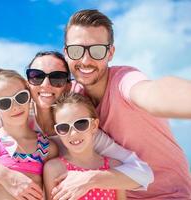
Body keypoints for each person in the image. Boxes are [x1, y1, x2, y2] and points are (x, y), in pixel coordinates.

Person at [0, 51, 153, 199]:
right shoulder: (6, 120)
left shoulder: (82, 129)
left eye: (57, 78)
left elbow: (143, 173)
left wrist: (89, 179)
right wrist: (6, 176)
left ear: (68, 86)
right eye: (36, 76)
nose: (46, 84)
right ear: (28, 83)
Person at [53, 9, 191, 199]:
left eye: (97, 50)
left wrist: (90, 178)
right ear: (66, 53)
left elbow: (154, 93)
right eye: (77, 51)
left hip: (168, 195)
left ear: (110, 53)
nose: (85, 60)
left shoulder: (125, 81)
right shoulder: (73, 98)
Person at [0, 68, 58, 200]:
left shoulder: (47, 148)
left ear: (29, 97)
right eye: (5, 103)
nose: (15, 106)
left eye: (21, 97)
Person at [44, 92, 126, 200]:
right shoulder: (53, 169)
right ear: (57, 132)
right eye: (63, 127)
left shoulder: (114, 167)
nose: (73, 133)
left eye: (81, 124)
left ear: (94, 125)